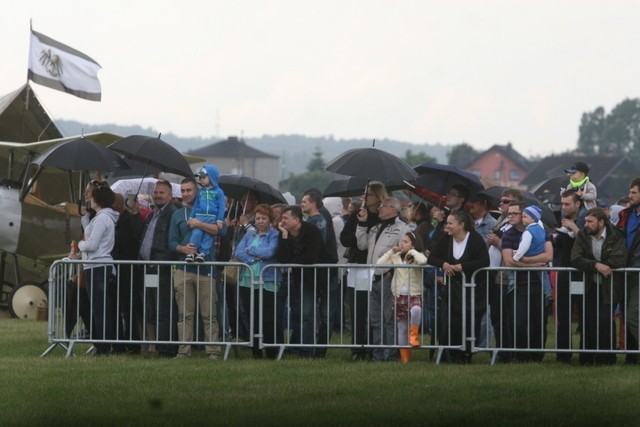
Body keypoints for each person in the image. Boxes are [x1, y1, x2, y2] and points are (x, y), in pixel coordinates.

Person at [168, 177, 223, 360]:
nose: (185, 194)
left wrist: (199, 224)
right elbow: (171, 242)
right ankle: (183, 350)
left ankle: (213, 350)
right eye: (182, 191)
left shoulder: (211, 208)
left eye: (189, 190)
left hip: (206, 269)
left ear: (197, 191)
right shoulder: (177, 214)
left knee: (209, 314)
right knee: (185, 314)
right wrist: (182, 248)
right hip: (183, 270)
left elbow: (221, 230)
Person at [428, 210, 490, 363]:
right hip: (451, 291)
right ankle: (448, 354)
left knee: (468, 322)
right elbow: (432, 257)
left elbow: (484, 261)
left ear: (461, 225)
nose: (446, 226)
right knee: (449, 322)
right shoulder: (446, 239)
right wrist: (444, 264)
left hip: (472, 291)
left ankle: (466, 353)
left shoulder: (474, 239)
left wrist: (463, 266)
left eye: (450, 223)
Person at [356, 197, 410, 361]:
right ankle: (377, 354)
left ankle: (391, 354)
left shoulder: (402, 228)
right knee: (375, 319)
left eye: (384, 206)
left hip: (388, 278)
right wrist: (362, 224)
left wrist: (392, 272)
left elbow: (405, 252)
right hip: (371, 277)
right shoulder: (375, 227)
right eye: (380, 206)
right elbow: (362, 245)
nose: (379, 208)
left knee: (389, 318)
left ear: (394, 209)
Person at [571, 207, 626, 365]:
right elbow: (575, 258)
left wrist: (601, 265)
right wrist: (596, 265)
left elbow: (619, 259)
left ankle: (607, 359)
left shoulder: (615, 235)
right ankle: (586, 359)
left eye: (590, 221)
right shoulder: (582, 235)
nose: (586, 224)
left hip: (609, 286)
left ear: (601, 222)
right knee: (586, 320)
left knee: (604, 320)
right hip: (588, 284)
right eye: (585, 221)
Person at [276, 205, 333, 358]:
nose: (282, 221)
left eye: (285, 218)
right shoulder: (284, 233)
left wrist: (293, 261)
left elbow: (311, 257)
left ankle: (320, 352)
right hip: (305, 279)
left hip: (326, 277)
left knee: (326, 316)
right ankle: (306, 351)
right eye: (282, 218)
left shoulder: (311, 231)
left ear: (297, 219)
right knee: (306, 314)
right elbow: (283, 259)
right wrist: (285, 236)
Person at [340, 181, 387, 361]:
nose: (363, 197)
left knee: (374, 311)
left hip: (375, 268)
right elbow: (345, 239)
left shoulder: (382, 217)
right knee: (358, 308)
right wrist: (360, 226)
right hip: (359, 268)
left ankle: (373, 346)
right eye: (363, 193)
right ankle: (358, 348)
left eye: (368, 194)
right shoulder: (356, 215)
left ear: (378, 196)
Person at [501, 201, 552, 362]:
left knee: (539, 321)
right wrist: (534, 263)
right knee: (518, 321)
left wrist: (525, 260)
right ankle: (520, 355)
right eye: (509, 214)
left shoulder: (542, 230)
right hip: (518, 284)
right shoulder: (508, 234)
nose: (511, 217)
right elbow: (508, 261)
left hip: (538, 283)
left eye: (514, 214)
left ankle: (537, 356)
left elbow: (548, 256)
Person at [71, 183, 119, 355]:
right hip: (96, 266)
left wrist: (81, 245)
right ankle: (102, 343)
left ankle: (104, 345)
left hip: (98, 266)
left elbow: (91, 244)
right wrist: (85, 220)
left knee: (100, 309)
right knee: (99, 307)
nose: (89, 198)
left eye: (92, 196)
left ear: (98, 199)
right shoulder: (101, 218)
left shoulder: (102, 219)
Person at [133, 180, 178, 357]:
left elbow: (172, 242)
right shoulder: (153, 215)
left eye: (162, 193)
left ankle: (167, 349)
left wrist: (160, 260)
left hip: (162, 269)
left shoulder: (173, 214)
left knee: (163, 310)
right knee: (152, 309)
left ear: (170, 195)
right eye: (156, 192)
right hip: (148, 269)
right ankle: (159, 346)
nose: (158, 195)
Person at [234, 203, 281, 359]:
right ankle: (256, 352)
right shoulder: (249, 235)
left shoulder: (274, 235)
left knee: (268, 318)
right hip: (248, 280)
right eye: (258, 218)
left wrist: (251, 251)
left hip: (267, 280)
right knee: (252, 317)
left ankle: (271, 351)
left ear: (270, 219)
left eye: (264, 218)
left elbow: (270, 252)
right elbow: (238, 251)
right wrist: (253, 259)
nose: (260, 221)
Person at [376, 232, 428, 363]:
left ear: (413, 244)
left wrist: (413, 251)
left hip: (414, 293)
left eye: (406, 241)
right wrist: (391, 251)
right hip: (399, 295)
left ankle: (414, 334)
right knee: (402, 327)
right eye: (401, 241)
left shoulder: (417, 256)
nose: (402, 244)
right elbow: (379, 264)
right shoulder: (396, 256)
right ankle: (405, 359)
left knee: (416, 310)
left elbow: (423, 261)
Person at [485, 188, 524, 361]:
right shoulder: (501, 219)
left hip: (506, 275)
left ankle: (507, 352)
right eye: (501, 201)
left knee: (505, 316)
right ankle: (502, 349)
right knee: (497, 315)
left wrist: (498, 242)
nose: (501, 204)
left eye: (506, 201)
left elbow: (519, 250)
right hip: (494, 273)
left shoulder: (519, 224)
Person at [111, 193, 143, 353]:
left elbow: (121, 242)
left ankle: (131, 341)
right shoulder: (120, 220)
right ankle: (121, 340)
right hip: (121, 271)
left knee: (128, 308)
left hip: (127, 271)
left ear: (117, 206)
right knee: (121, 307)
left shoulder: (127, 221)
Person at [616, 176, 640, 364]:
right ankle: (632, 357)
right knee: (628, 316)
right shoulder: (626, 215)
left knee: (633, 317)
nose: (629, 195)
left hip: (637, 272)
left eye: (633, 192)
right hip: (626, 271)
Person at [186, 165, 226, 262]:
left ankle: (203, 253)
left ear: (211, 177)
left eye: (203, 177)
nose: (201, 180)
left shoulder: (219, 192)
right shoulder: (200, 192)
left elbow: (221, 207)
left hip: (212, 218)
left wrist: (219, 219)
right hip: (199, 216)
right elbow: (195, 205)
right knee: (196, 233)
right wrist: (191, 217)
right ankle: (192, 252)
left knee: (208, 236)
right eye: (200, 177)